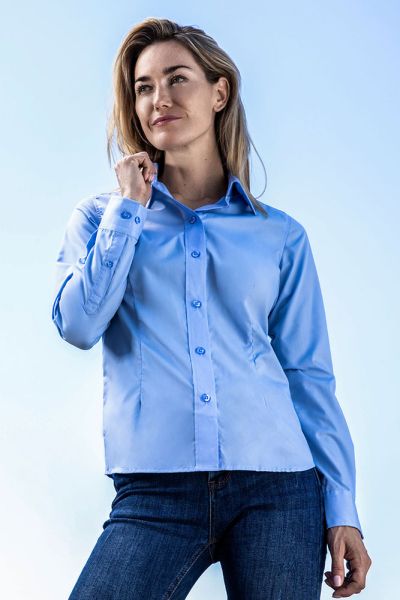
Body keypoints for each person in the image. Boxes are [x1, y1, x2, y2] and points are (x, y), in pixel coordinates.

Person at [51, 17, 372, 600]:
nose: (159, 98)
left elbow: (309, 377)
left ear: (219, 92)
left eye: (177, 79)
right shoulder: (102, 218)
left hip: (279, 489)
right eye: (144, 87)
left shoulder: (280, 236)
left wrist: (342, 507)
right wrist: (129, 210)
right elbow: (78, 324)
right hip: (153, 492)